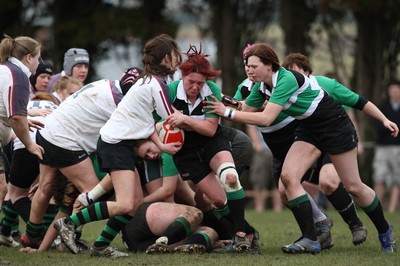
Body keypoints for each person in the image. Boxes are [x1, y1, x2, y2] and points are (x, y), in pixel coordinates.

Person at [205, 43, 398, 254]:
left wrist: (384, 119)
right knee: (288, 179)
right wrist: (217, 96)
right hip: (309, 129)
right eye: (247, 66)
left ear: (270, 66)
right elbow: (245, 108)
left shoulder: (286, 79)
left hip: (335, 126)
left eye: (254, 66)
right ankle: (310, 238)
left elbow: (266, 118)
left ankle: (385, 231)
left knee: (353, 186)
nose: (249, 70)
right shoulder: (261, 86)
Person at [53, 33, 183, 258]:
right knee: (124, 204)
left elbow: (147, 121)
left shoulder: (148, 81)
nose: (177, 60)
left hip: (118, 144)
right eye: (174, 55)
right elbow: (173, 117)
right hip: (115, 145)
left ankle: (101, 246)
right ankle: (68, 223)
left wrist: (162, 146)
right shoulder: (155, 84)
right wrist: (208, 118)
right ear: (165, 59)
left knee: (134, 204)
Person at [21, 68, 140, 249]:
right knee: (89, 192)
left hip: (48, 131)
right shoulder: (121, 104)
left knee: (45, 186)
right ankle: (69, 238)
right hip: (65, 140)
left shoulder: (106, 84)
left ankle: (31, 235)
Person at [164, 44, 251, 251]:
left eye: (200, 83)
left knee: (230, 177)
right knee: (218, 200)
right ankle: (246, 233)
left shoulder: (211, 90)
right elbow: (159, 124)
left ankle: (241, 235)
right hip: (186, 152)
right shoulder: (168, 92)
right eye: (191, 82)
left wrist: (184, 120)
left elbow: (210, 129)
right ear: (182, 77)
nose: (195, 87)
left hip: (211, 141)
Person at [281, 53, 369, 246]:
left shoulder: (325, 84)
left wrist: (358, 141)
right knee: (284, 190)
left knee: (328, 182)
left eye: (297, 73)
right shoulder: (284, 90)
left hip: (335, 139)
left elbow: (350, 111)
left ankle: (355, 224)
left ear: (307, 72)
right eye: (289, 73)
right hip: (310, 142)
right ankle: (321, 229)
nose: (293, 78)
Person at [0, 34, 44, 159]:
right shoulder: (18, 76)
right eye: (38, 58)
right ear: (29, 58)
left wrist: (24, 121)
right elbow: (16, 118)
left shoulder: (5, 69)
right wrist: (30, 145)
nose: (39, 63)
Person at [372, 80, 400, 213]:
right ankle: (378, 208)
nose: (395, 92)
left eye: (397, 89)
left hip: (398, 147)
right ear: (389, 91)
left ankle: (392, 208)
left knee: (397, 178)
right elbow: (378, 125)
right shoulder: (383, 106)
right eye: (392, 89)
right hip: (382, 147)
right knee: (379, 176)